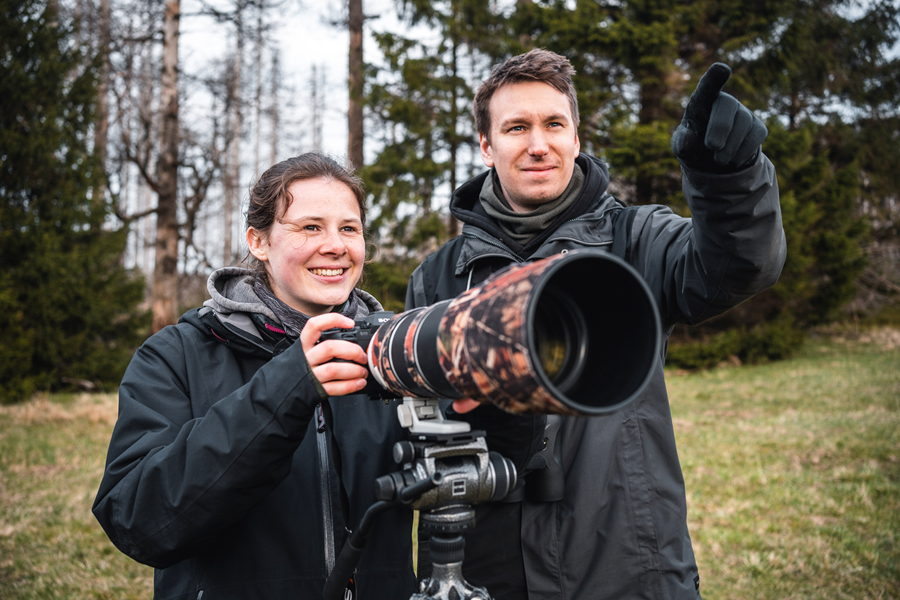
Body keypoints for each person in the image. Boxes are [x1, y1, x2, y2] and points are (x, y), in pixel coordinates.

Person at [406, 50, 786, 599]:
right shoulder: (441, 274)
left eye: (554, 124)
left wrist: (727, 179)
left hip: (625, 566)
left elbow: (740, 265)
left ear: (576, 137)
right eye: (517, 127)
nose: (539, 144)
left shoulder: (637, 239)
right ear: (487, 147)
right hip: (483, 569)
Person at [93, 153, 417, 600]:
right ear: (259, 242)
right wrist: (289, 385)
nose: (336, 245)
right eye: (310, 227)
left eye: (349, 228)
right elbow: (138, 521)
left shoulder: (396, 357)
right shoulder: (176, 354)